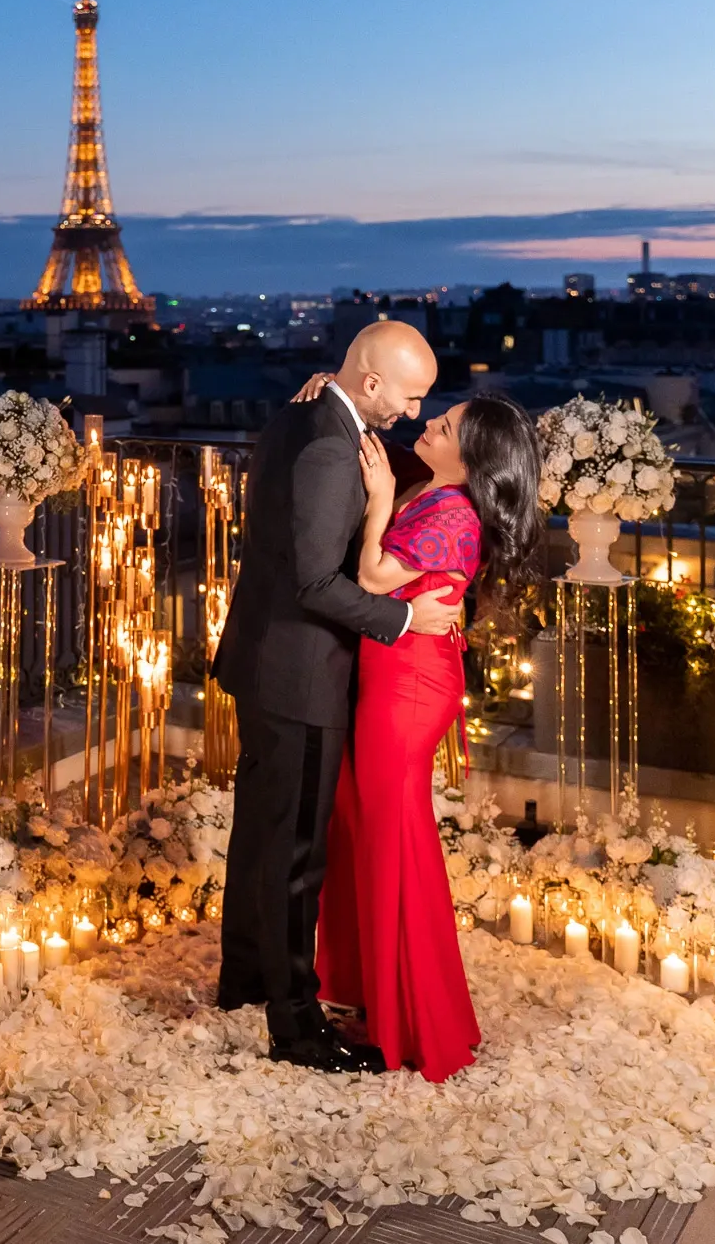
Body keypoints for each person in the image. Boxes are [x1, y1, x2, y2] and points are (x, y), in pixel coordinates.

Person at [209, 321, 465, 1072]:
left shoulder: (303, 413)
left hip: (264, 664)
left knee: (260, 831)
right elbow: (316, 582)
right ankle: (294, 1025)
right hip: (302, 674)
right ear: (372, 383)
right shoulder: (330, 443)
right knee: (295, 856)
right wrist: (407, 616)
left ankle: (245, 978)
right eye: (412, 397)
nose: (416, 415)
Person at [312, 392, 543, 1081]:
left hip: (407, 687)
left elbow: (373, 576)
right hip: (397, 674)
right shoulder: (438, 493)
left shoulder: (449, 509)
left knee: (394, 844)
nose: (428, 425)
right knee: (366, 831)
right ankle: (372, 1000)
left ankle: (408, 1021)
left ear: (470, 456)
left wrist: (380, 495)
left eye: (442, 427)